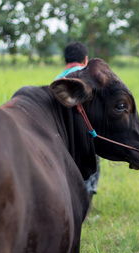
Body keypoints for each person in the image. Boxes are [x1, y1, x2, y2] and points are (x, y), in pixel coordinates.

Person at [55, 42, 100, 201]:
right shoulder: (89, 76)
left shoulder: (57, 80)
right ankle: (85, 204)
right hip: (87, 133)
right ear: (86, 59)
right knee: (92, 167)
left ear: (65, 59)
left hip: (63, 136)